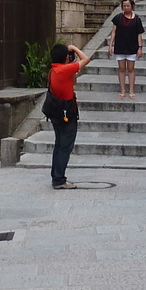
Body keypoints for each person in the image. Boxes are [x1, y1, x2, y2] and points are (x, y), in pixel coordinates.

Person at [43, 42, 90, 189]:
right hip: (66, 113)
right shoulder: (63, 70)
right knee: (65, 147)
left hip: (56, 112)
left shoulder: (54, 71)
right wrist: (75, 48)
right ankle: (59, 180)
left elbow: (73, 82)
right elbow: (86, 59)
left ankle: (56, 177)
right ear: (64, 57)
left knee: (59, 146)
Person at [110, 0, 145, 99]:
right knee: (121, 68)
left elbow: (139, 34)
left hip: (132, 46)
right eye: (124, 6)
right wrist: (110, 44)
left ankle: (131, 90)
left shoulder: (137, 19)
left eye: (128, 6)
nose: (126, 8)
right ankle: (122, 90)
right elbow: (114, 32)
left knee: (130, 68)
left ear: (132, 6)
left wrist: (140, 47)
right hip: (120, 46)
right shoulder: (118, 18)